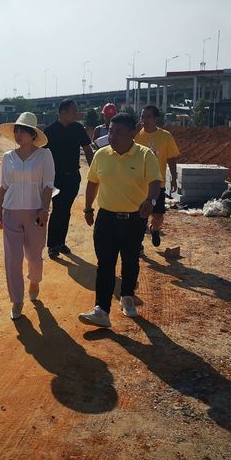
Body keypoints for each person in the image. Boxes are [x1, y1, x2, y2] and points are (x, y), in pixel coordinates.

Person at [78, 113, 161, 328]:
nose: (112, 137)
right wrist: (88, 208)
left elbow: (155, 182)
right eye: (110, 132)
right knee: (105, 263)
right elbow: (92, 183)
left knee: (130, 261)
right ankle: (101, 310)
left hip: (134, 219)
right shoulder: (102, 155)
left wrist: (151, 201)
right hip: (106, 218)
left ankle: (127, 296)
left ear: (132, 134)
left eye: (119, 133)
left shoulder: (145, 155)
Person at [0, 112, 55, 320]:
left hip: (35, 213)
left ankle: (34, 280)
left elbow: (48, 186)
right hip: (11, 212)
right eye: (16, 130)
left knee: (34, 257)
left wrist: (44, 209)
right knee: (12, 259)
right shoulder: (8, 157)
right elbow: (3, 186)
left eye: (22, 130)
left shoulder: (44, 156)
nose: (18, 134)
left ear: (33, 134)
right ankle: (17, 300)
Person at [43, 99, 94, 258]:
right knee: (58, 209)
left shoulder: (77, 129)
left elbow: (87, 149)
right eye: (74, 111)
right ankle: (52, 244)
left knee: (66, 210)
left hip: (73, 177)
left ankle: (61, 242)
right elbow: (41, 155)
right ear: (63, 112)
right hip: (55, 178)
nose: (76, 114)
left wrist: (94, 170)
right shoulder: (50, 131)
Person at [135, 105, 180, 247]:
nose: (144, 119)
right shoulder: (136, 135)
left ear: (156, 118)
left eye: (148, 116)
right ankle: (138, 245)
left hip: (157, 184)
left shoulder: (165, 136)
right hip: (139, 184)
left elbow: (171, 158)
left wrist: (174, 178)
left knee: (158, 216)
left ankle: (154, 229)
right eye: (142, 116)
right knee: (139, 217)